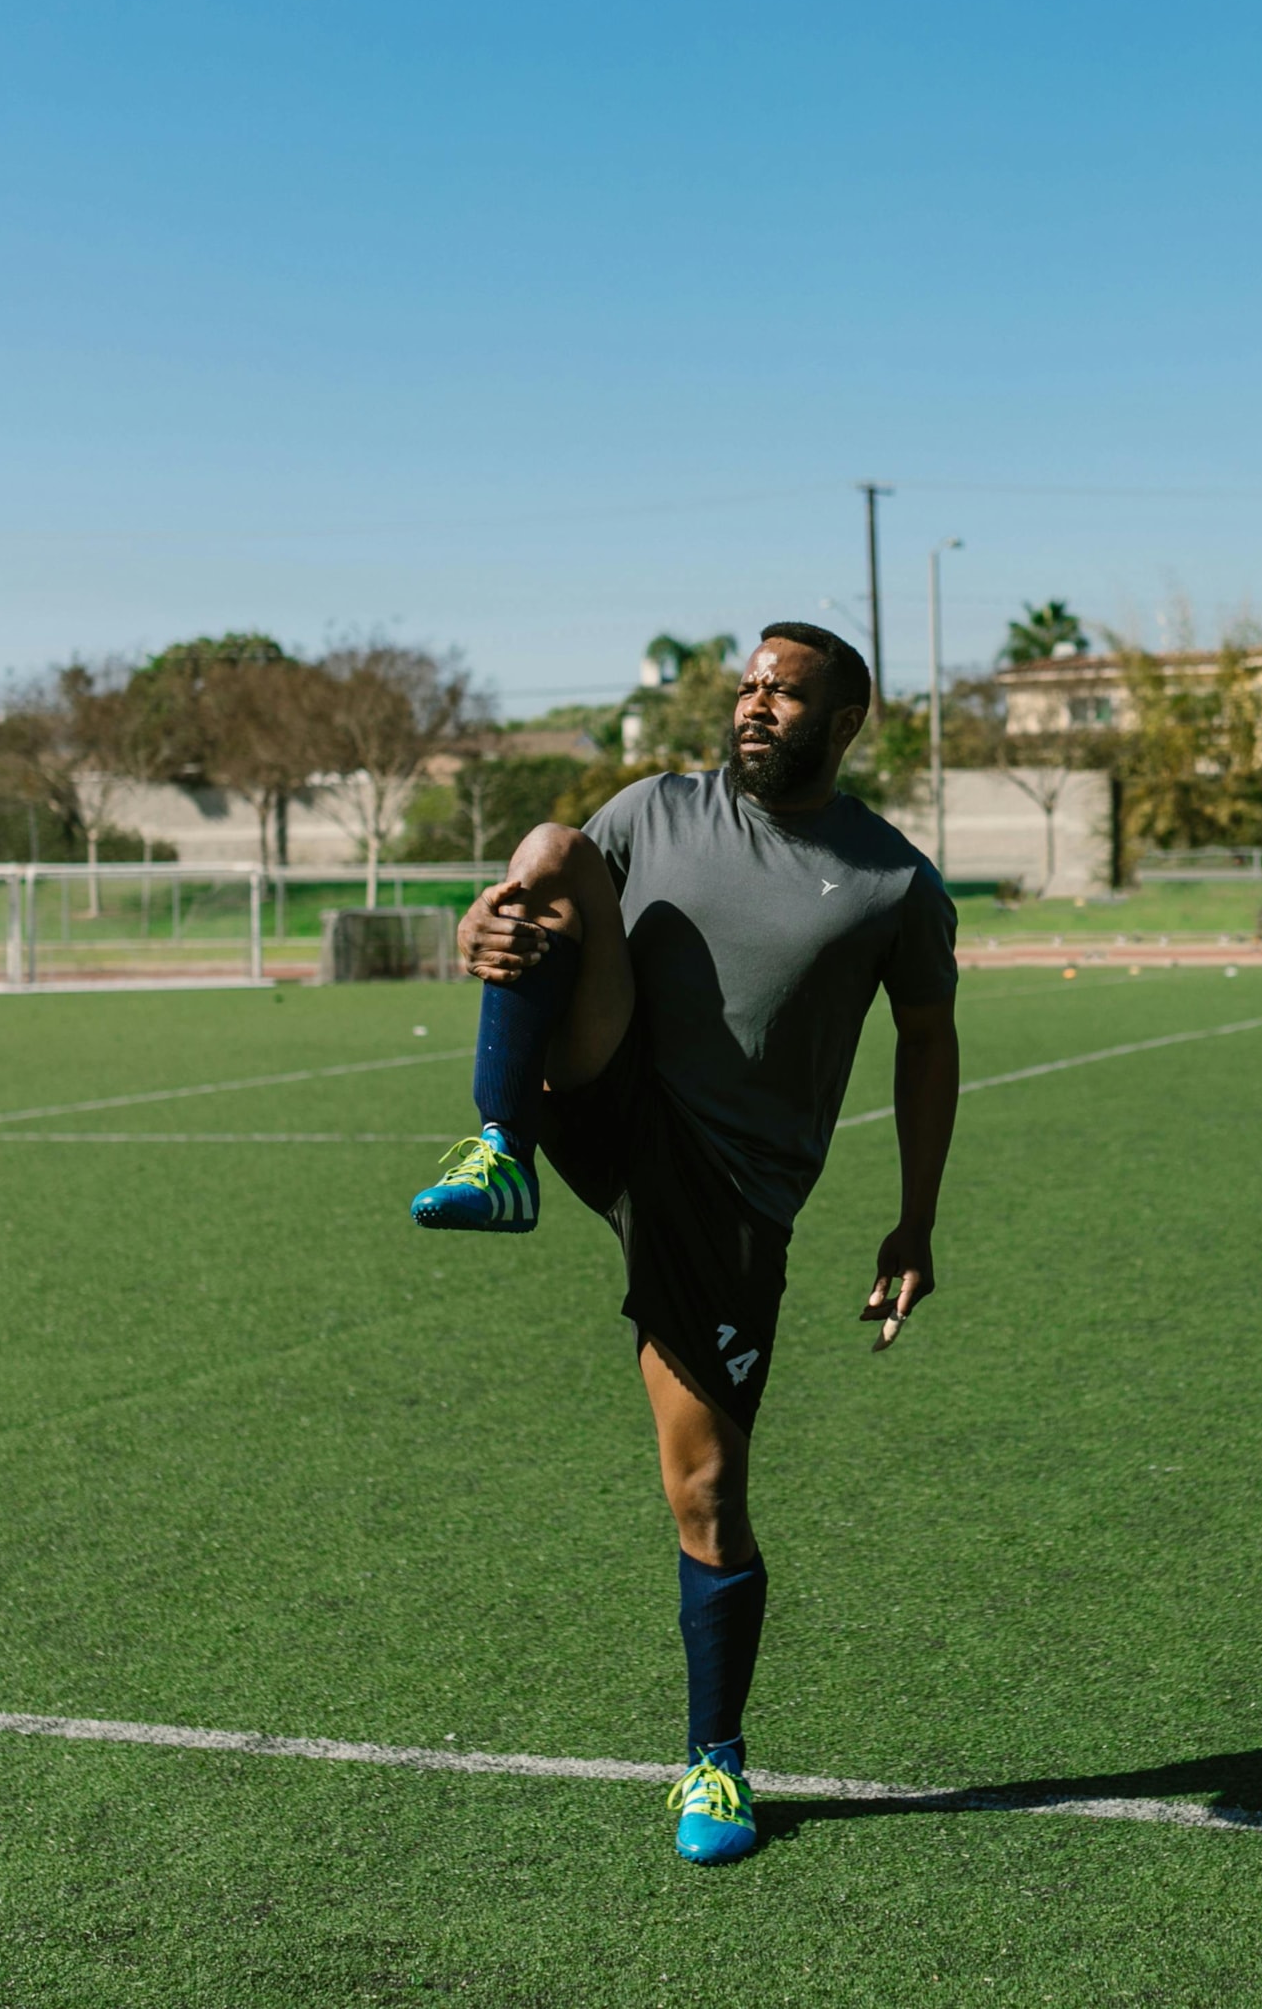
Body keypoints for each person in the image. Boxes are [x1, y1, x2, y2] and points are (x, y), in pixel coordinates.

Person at [408, 622, 960, 1865]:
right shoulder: (653, 809)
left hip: (730, 1194)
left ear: (845, 720)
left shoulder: (893, 883)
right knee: (548, 847)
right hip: (610, 1094)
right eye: (749, 685)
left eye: (787, 692)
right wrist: (473, 936)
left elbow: (928, 1042)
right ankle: (500, 1152)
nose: (757, 705)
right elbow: (528, 916)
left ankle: (715, 1763)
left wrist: (916, 1217)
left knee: (706, 1491)